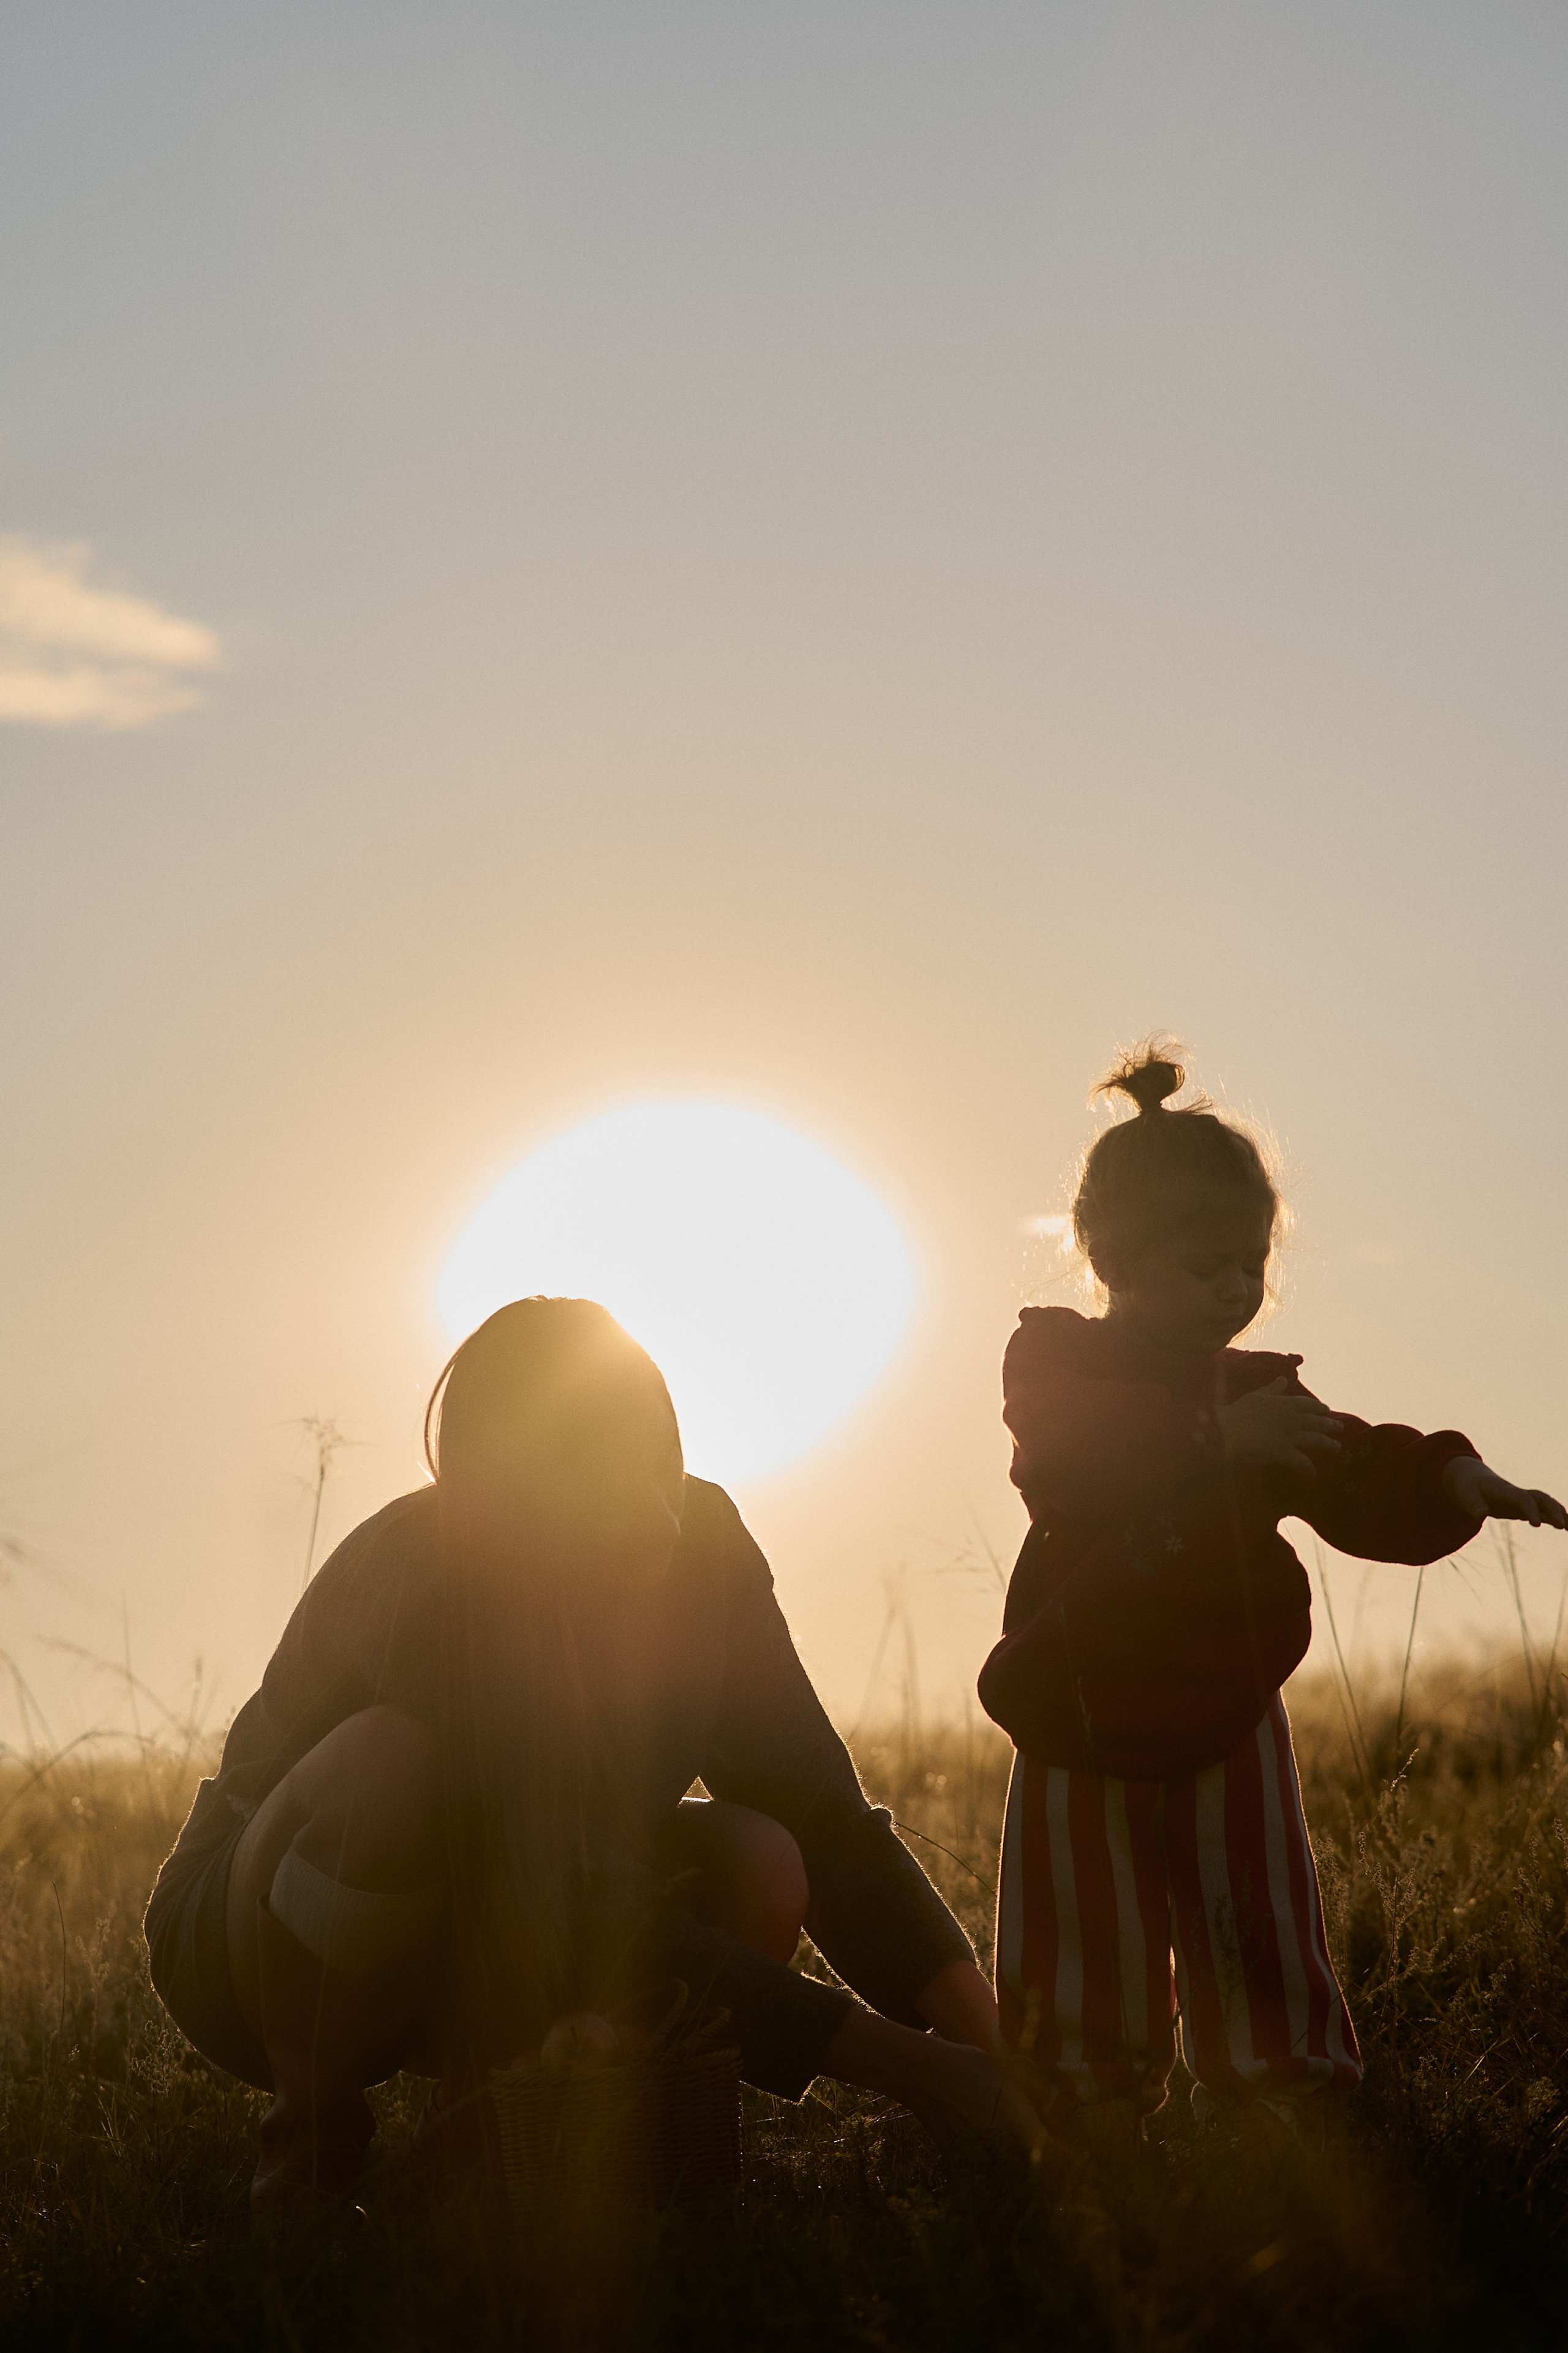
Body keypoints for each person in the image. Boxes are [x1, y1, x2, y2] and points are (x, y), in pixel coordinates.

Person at [147, 1297, 1033, 2215]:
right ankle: (310, 2150)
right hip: (252, 1939)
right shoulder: (435, 1576)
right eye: (598, 1470)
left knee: (765, 1859)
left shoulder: (708, 1548)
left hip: (504, 1923)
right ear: (515, 1494)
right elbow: (575, 1897)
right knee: (388, 1765)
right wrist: (919, 2073)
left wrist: (994, 2052)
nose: (655, 1504)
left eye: (659, 1451)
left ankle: (508, 2136)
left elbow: (830, 1826)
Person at [978, 1042, 1567, 2150]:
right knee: (1085, 1921)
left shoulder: (1263, 1390)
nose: (1236, 1286)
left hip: (1229, 1702)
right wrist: (1211, 1441)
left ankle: (1278, 2089)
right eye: (1204, 1262)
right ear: (1108, 1252)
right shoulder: (1054, 1362)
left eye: (1250, 1260)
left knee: (1254, 1904)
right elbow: (1067, 1455)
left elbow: (1351, 1464)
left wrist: (1449, 1475)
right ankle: (1083, 2098)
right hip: (1080, 1695)